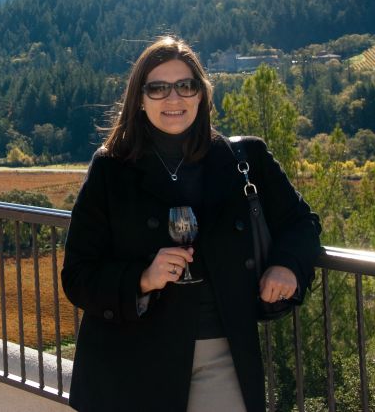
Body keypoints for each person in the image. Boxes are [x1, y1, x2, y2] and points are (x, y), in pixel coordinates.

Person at [61, 36, 321, 412]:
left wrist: (287, 266)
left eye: (185, 86)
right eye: (158, 88)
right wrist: (142, 279)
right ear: (139, 99)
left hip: (222, 355)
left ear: (202, 94)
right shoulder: (110, 170)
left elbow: (302, 224)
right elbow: (78, 275)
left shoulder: (245, 160)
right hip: (129, 364)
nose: (174, 98)